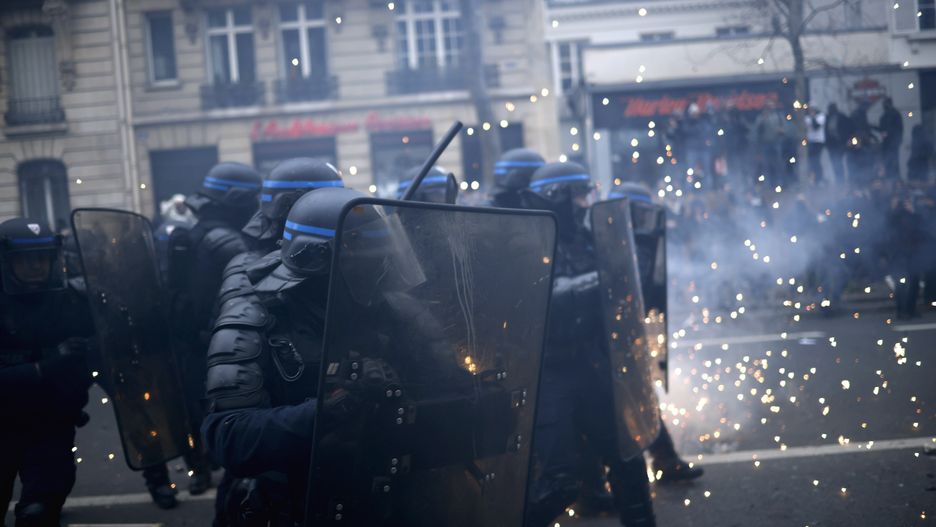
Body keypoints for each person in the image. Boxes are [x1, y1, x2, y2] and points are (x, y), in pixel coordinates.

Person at [202, 187, 394, 525]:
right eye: (362, 269)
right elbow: (228, 437)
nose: (376, 280)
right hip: (291, 504)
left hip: (381, 495)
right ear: (319, 267)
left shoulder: (389, 311)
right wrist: (324, 412)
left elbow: (456, 390)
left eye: (379, 265)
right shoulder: (257, 317)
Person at [522, 162, 656, 527]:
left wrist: (640, 246)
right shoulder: (528, 238)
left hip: (594, 363)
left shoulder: (588, 238)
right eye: (578, 194)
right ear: (557, 197)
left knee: (628, 463)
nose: (585, 203)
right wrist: (604, 277)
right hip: (550, 373)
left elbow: (627, 286)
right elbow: (550, 296)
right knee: (559, 482)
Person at [140, 163, 262, 509]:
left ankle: (201, 470)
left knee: (198, 412)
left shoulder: (187, 236)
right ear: (238, 201)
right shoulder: (228, 243)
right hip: (218, 341)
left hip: (190, 344)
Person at [0, 218, 94, 526]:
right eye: (25, 259)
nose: (35, 266)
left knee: (39, 512)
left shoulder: (70, 300)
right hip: (3, 422)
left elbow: (105, 349)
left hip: (51, 425)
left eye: (42, 258)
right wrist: (42, 368)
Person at [752, 100, 787, 187]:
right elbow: (757, 129)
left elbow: (784, 128)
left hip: (776, 142)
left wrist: (781, 131)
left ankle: (782, 183)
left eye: (772, 106)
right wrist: (763, 120)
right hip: (765, 143)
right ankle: (771, 183)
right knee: (767, 164)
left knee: (778, 163)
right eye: (768, 106)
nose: (770, 108)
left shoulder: (778, 116)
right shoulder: (761, 117)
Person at [877, 97, 904, 180]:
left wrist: (893, 138)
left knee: (893, 163)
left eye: (885, 104)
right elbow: (883, 129)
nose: (883, 106)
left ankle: (895, 181)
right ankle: (892, 180)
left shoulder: (894, 114)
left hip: (892, 143)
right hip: (888, 143)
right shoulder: (888, 115)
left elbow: (897, 129)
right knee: (889, 163)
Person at [825, 104, 852, 183]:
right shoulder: (827, 119)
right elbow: (825, 132)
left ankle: (844, 180)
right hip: (832, 145)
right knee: (835, 164)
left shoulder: (841, 117)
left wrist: (847, 139)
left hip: (841, 144)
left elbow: (849, 127)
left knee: (842, 162)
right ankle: (839, 180)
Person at [805, 106, 827, 184]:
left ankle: (819, 178)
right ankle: (813, 179)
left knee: (816, 160)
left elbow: (816, 126)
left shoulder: (821, 117)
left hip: (819, 141)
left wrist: (813, 117)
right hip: (810, 142)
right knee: (811, 161)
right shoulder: (807, 118)